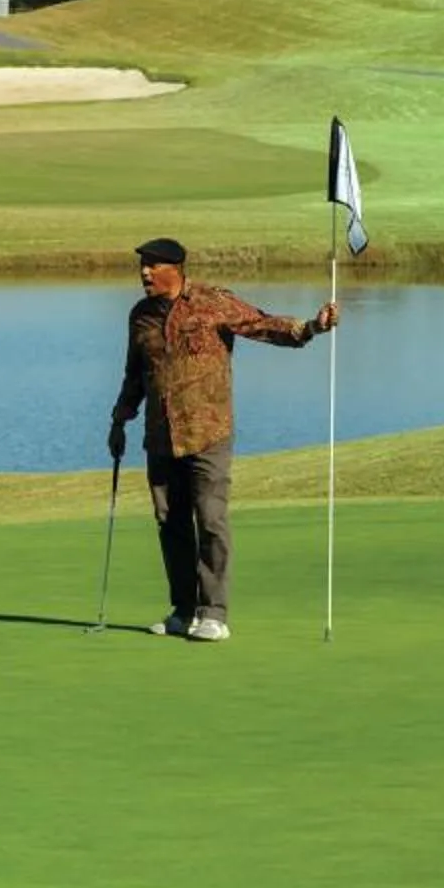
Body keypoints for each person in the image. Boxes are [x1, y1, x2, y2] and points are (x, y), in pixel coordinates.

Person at [107, 238, 336, 643]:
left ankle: (213, 613)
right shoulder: (140, 316)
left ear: (175, 269)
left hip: (209, 433)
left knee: (210, 520)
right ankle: (182, 609)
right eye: (141, 266)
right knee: (170, 524)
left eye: (151, 266)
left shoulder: (212, 302)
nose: (143, 273)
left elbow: (263, 324)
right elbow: (134, 374)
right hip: (161, 438)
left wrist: (311, 327)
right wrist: (120, 419)